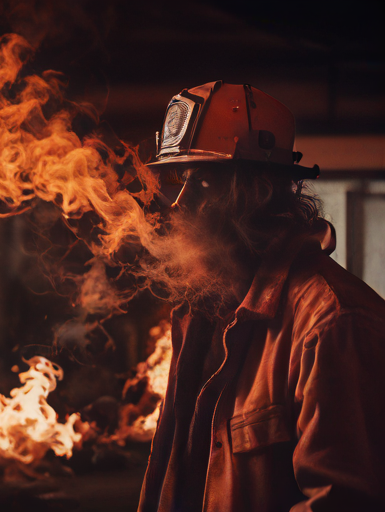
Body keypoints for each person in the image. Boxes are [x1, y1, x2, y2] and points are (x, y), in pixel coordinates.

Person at [138, 81, 385, 512]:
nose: (177, 206)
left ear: (253, 193)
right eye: (178, 183)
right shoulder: (200, 312)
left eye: (200, 185)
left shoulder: (334, 324)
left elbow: (341, 503)